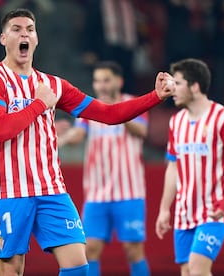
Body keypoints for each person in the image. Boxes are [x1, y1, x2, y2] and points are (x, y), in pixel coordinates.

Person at [0, 8, 174, 276]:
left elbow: (108, 113)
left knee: (78, 265)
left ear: (36, 39)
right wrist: (39, 104)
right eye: (16, 29)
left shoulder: (54, 85)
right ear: (3, 38)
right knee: (11, 269)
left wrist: (155, 96)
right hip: (10, 191)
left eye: (29, 30)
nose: (24, 34)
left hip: (51, 189)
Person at [155, 58, 224, 276]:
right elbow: (173, 167)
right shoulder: (176, 122)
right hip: (184, 210)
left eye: (177, 83)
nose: (171, 89)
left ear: (195, 86)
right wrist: (163, 209)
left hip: (215, 208)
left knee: (198, 268)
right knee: (187, 271)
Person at [57, 61, 150, 276]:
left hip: (129, 192)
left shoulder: (133, 104)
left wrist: (118, 113)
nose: (101, 86)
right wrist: (61, 140)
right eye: (97, 81)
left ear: (119, 81)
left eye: (106, 80)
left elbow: (142, 132)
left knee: (133, 250)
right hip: (97, 194)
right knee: (89, 250)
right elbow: (78, 134)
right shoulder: (92, 108)